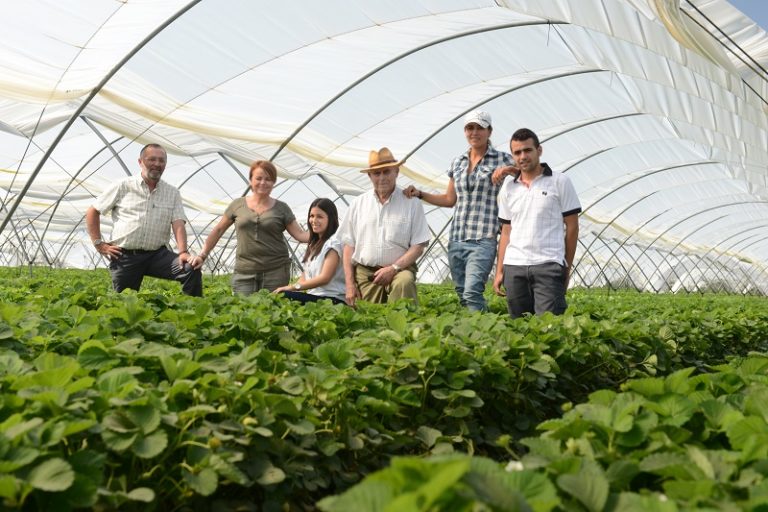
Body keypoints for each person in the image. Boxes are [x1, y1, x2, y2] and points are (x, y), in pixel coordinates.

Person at [404, 110, 513, 311]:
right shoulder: (458, 161)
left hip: (483, 237)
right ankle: (472, 334)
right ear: (465, 132)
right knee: (463, 294)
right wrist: (420, 194)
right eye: (470, 128)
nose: (474, 132)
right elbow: (449, 199)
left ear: (489, 131)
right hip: (457, 237)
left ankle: (485, 334)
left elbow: (529, 171)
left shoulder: (503, 159)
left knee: (472, 292)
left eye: (480, 128)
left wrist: (509, 170)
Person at [85, 144, 202, 296]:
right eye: (152, 159)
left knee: (190, 269)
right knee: (124, 303)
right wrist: (99, 244)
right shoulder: (123, 186)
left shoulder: (172, 192)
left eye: (161, 161)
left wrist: (183, 252)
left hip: (157, 255)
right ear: (140, 162)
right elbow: (93, 211)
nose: (157, 164)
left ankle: (192, 312)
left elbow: (178, 222)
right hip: (125, 255)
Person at [493, 128, 581, 318]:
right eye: (517, 152)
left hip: (548, 264)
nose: (522, 156)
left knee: (549, 327)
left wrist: (566, 268)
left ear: (539, 151)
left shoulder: (560, 181)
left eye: (527, 150)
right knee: (519, 326)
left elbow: (572, 227)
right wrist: (500, 270)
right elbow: (506, 231)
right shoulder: (509, 187)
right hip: (514, 265)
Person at [190, 160, 309, 294]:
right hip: (244, 272)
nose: (263, 182)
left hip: (276, 271)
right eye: (258, 178)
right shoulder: (237, 205)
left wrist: (326, 232)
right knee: (242, 311)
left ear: (273, 183)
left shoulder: (282, 208)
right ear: (250, 181)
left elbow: (300, 234)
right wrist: (202, 255)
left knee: (273, 311)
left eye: (268, 179)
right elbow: (218, 230)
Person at [339, 147, 430, 306]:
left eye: (386, 172)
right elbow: (348, 246)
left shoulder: (411, 203)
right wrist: (349, 284)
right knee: (370, 320)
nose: (382, 178)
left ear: (396, 171)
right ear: (369, 176)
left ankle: (406, 328)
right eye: (376, 173)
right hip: (366, 273)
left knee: (404, 283)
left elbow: (418, 245)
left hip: (401, 269)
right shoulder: (358, 204)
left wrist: (394, 268)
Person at [273, 198, 346, 304]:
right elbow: (304, 277)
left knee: (284, 296)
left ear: (331, 219)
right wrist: (288, 287)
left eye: (320, 217)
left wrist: (293, 288)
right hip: (316, 297)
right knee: (280, 294)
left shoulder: (334, 243)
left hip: (332, 299)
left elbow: (325, 278)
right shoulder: (314, 244)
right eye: (311, 216)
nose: (314, 220)